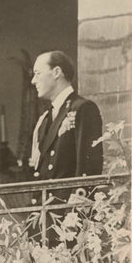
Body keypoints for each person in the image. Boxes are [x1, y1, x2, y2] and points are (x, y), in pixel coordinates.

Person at [29, 51, 103, 245]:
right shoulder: (46, 119)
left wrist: (76, 217)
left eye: (37, 73)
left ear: (56, 72)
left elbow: (89, 168)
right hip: (45, 216)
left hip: (67, 219)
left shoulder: (83, 108)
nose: (33, 81)